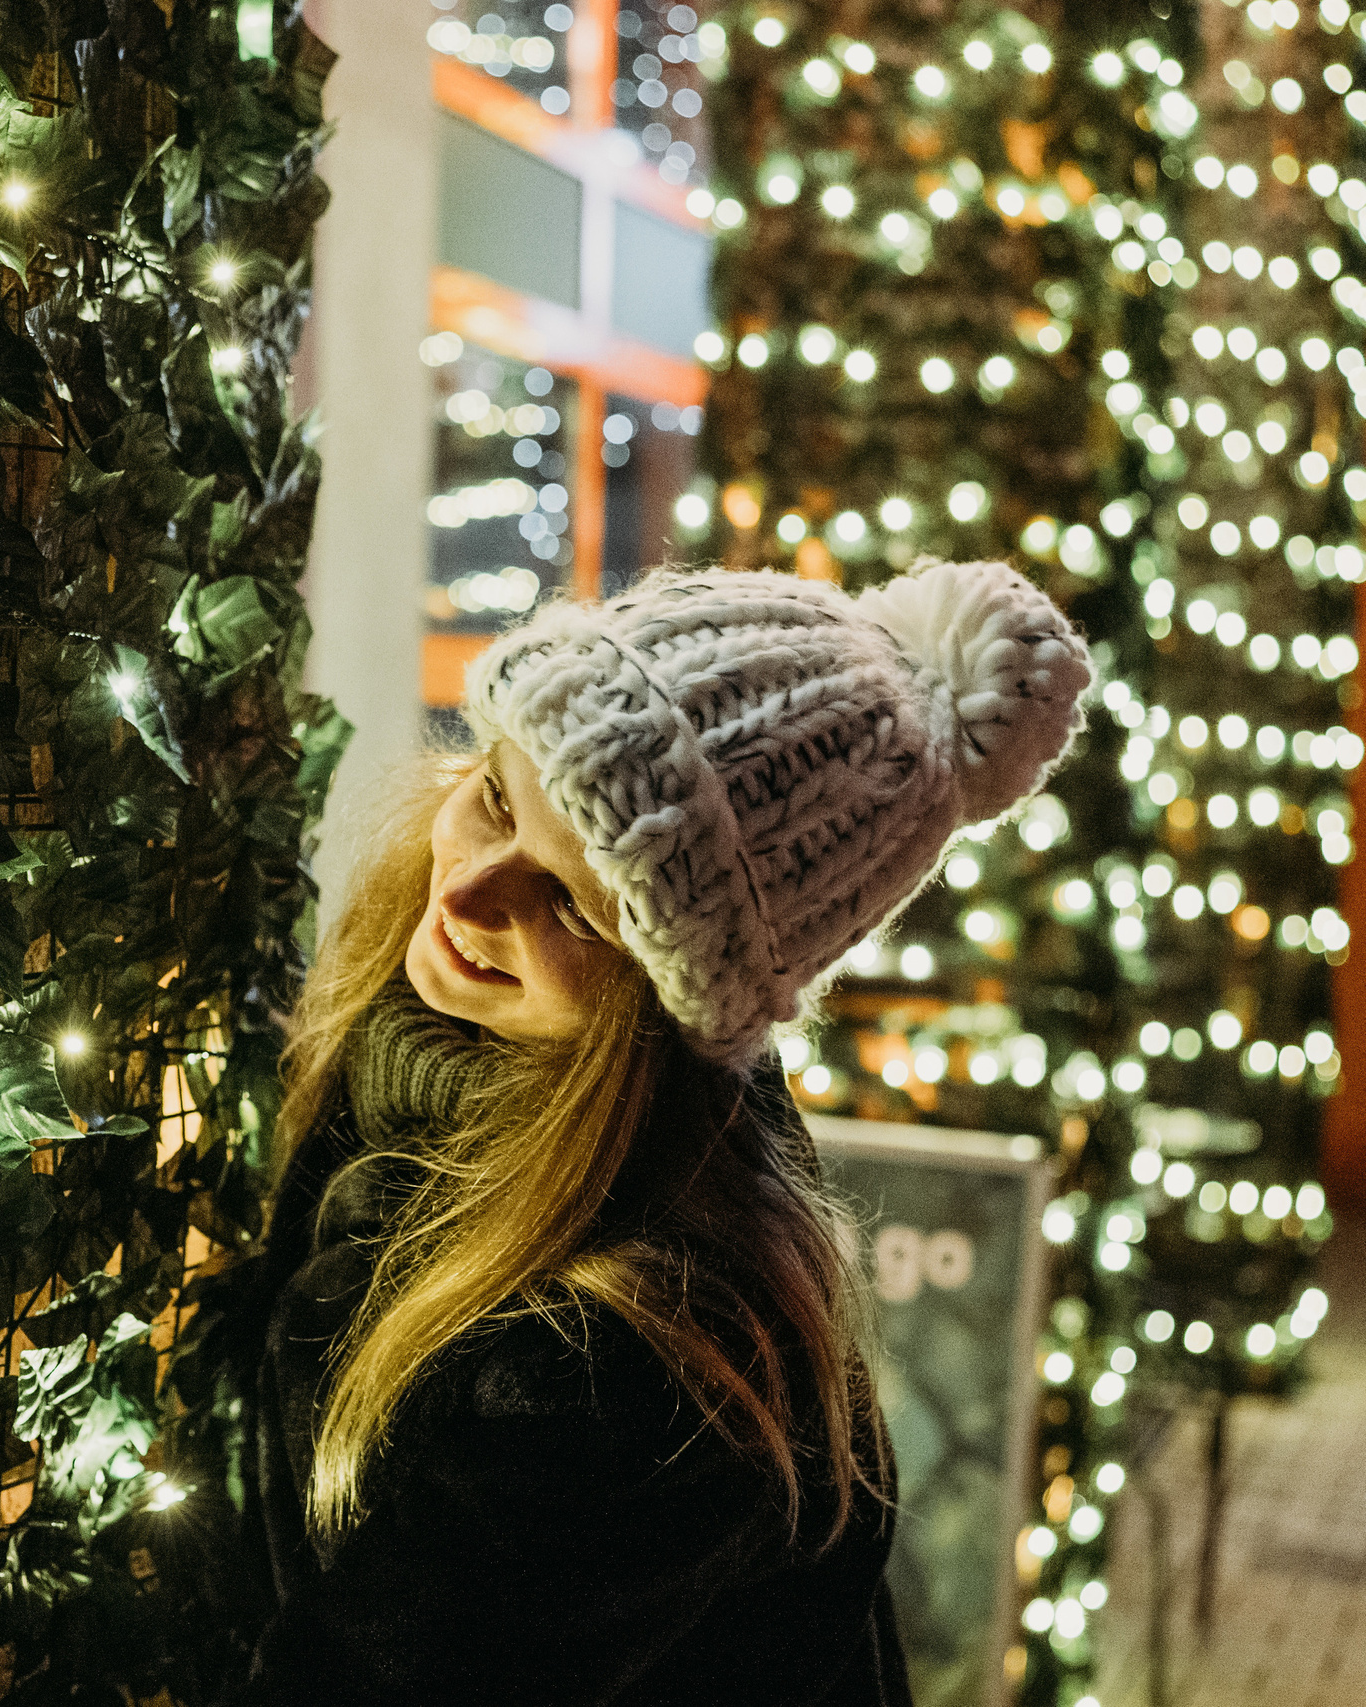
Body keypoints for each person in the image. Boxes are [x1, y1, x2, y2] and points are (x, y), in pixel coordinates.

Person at [233, 559, 1092, 1703]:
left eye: (576, 907)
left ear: (676, 1002)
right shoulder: (428, 1042)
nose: (471, 896)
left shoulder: (630, 1373)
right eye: (493, 798)